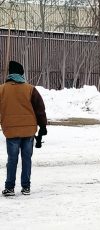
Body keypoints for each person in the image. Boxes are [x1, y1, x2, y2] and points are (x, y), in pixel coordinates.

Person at [0, 61, 47, 196]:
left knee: (12, 159)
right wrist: (43, 126)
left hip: (11, 130)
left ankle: (9, 188)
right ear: (21, 73)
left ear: (9, 74)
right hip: (29, 130)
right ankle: (26, 187)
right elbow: (40, 110)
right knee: (27, 159)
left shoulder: (2, 89)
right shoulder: (30, 89)